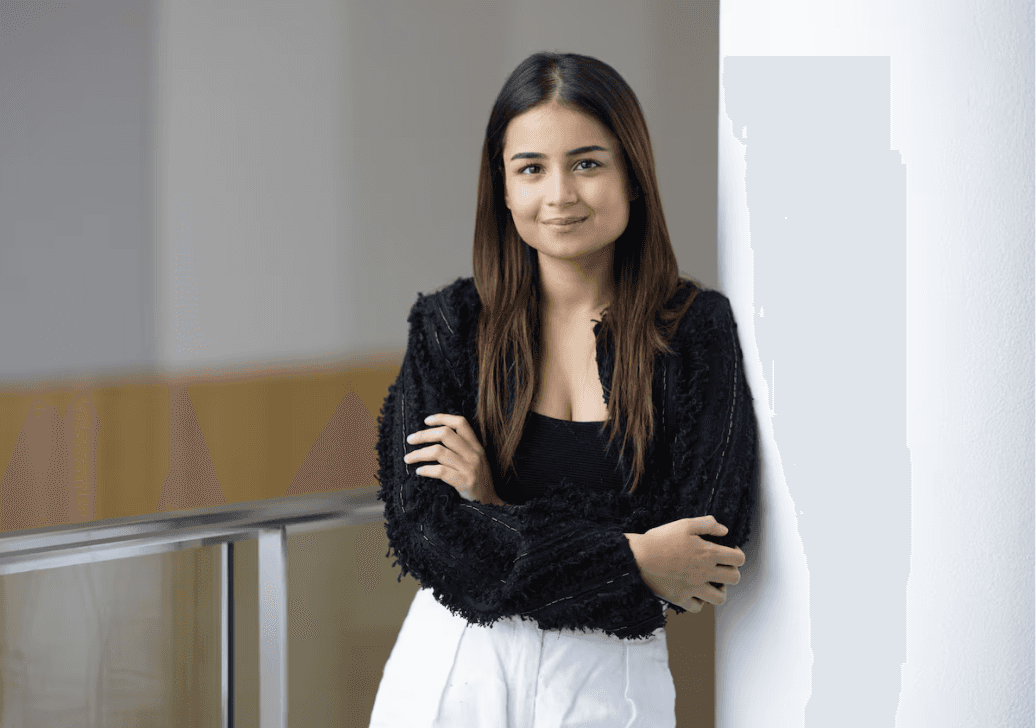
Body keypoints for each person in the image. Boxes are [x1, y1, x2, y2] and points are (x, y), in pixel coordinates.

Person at [369, 51, 758, 728]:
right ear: (505, 188)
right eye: (531, 169)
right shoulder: (447, 326)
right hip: (459, 667)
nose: (560, 196)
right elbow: (426, 532)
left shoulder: (696, 331)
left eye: (586, 163)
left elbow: (706, 550)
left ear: (632, 174)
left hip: (607, 681)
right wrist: (633, 557)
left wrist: (490, 505)